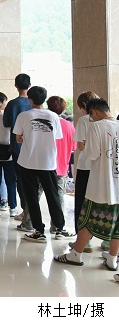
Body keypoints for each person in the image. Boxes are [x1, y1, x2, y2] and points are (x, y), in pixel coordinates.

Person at [54, 98, 119, 268]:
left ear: (94, 112)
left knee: (87, 220)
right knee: (117, 224)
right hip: (117, 185)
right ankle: (112, 259)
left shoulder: (97, 126)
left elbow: (92, 155)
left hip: (101, 185)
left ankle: (76, 254)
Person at [14, 86, 72, 243]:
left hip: (27, 162)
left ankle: (38, 231)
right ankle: (59, 228)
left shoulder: (23, 116)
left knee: (32, 197)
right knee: (53, 195)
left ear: (30, 100)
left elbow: (18, 138)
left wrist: (28, 137)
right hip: (48, 162)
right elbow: (56, 137)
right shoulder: (53, 116)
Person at [70, 91, 100, 252]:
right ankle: (107, 240)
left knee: (82, 203)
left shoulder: (84, 120)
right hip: (102, 168)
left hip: (86, 167)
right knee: (102, 202)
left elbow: (81, 146)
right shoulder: (107, 121)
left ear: (83, 106)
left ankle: (84, 241)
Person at [3, 73, 33, 221]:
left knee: (20, 179)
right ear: (30, 85)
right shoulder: (34, 104)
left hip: (17, 146)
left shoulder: (12, 104)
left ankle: (25, 210)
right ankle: (32, 211)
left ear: (15, 86)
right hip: (33, 147)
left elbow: (6, 123)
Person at [46, 95, 76, 231]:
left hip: (44, 165)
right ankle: (57, 226)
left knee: (36, 194)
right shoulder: (69, 126)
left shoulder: (44, 123)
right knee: (59, 197)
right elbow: (74, 147)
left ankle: (29, 222)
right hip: (62, 167)